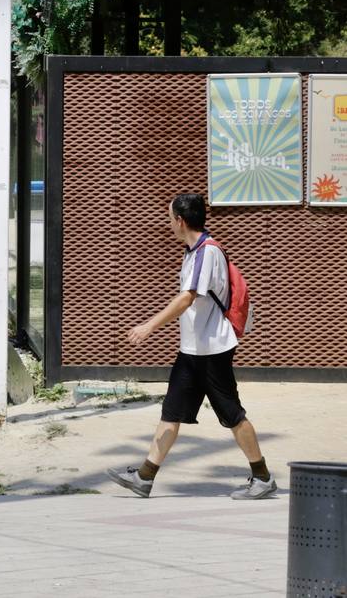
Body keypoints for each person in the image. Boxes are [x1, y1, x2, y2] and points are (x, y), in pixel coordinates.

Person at [106, 193, 275, 499]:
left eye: (169, 218)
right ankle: (145, 477)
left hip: (212, 350)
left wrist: (149, 326)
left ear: (180, 221)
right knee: (171, 413)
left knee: (232, 415)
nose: (168, 223)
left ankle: (262, 477)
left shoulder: (206, 252)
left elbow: (187, 298)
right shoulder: (192, 251)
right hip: (192, 350)